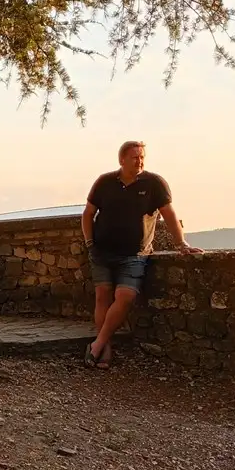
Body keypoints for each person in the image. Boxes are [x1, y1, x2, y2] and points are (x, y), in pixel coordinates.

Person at [81, 141, 202, 368]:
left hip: (135, 254)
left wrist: (181, 243)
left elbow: (169, 214)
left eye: (142, 157)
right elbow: (88, 213)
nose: (140, 161)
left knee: (125, 296)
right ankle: (104, 347)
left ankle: (97, 345)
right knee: (102, 296)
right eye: (135, 157)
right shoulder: (105, 182)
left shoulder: (154, 183)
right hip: (102, 251)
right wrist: (89, 242)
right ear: (122, 160)